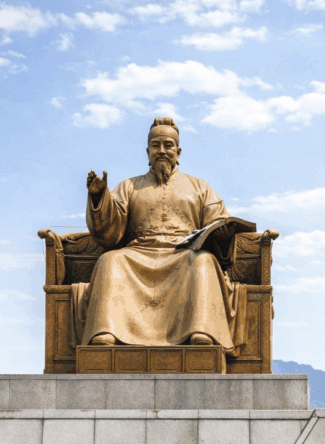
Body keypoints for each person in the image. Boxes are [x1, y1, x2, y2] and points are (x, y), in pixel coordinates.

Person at [77, 117, 246, 352]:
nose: (162, 151)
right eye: (156, 146)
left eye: (168, 145)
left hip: (184, 255)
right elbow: (108, 231)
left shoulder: (200, 187)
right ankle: (108, 329)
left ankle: (201, 330)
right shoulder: (129, 186)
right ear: (147, 152)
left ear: (178, 151)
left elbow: (216, 223)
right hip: (139, 253)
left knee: (204, 261)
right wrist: (99, 198)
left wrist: (224, 235)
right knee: (111, 260)